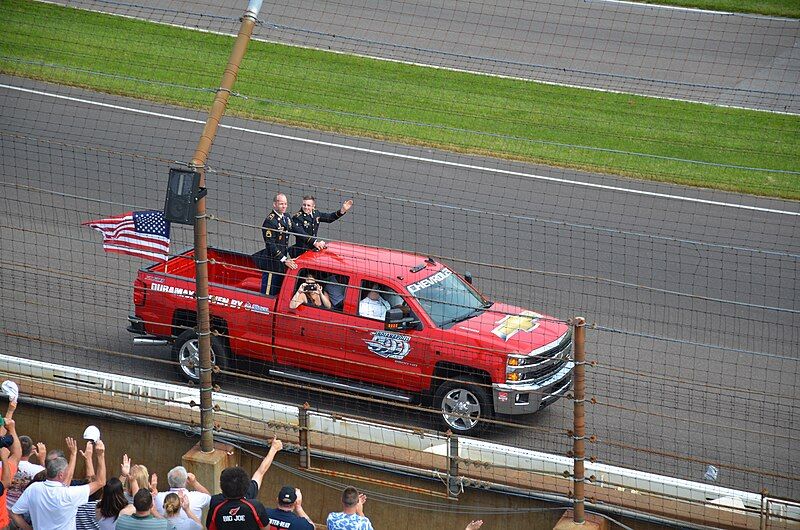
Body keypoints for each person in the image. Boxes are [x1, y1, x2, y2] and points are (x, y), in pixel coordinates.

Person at [11, 438, 106, 530]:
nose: (69, 472)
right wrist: (100, 455)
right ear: (61, 475)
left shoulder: (34, 488)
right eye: (67, 470)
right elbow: (100, 482)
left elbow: (14, 513)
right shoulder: (70, 494)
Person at [206, 438, 283, 529]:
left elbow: (211, 528)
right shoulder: (255, 506)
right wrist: (273, 449)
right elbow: (260, 472)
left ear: (221, 485)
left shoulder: (215, 504)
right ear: (246, 485)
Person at [258, 193, 298, 296]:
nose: (284, 206)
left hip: (282, 264)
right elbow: (270, 245)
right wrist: (284, 259)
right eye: (281, 204)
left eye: (285, 204)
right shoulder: (270, 221)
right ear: (274, 205)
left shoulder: (287, 217)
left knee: (277, 292)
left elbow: (297, 230)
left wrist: (313, 241)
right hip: (272, 264)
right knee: (267, 294)